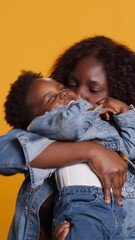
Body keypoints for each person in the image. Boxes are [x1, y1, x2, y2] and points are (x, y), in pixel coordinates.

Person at [0, 35, 133, 239]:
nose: (77, 95)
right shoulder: (45, 132)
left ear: (119, 91)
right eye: (70, 84)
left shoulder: (120, 138)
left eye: (94, 89)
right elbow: (4, 151)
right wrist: (90, 152)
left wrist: (125, 113)